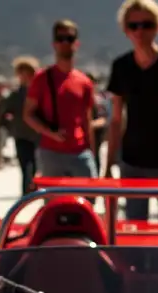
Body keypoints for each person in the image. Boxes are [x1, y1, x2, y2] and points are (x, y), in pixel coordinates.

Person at [105, 0, 158, 223]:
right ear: (126, 30)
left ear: (157, 27)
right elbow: (115, 119)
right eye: (134, 26)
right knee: (134, 225)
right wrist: (108, 164)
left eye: (147, 24)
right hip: (132, 161)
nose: (140, 31)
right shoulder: (121, 67)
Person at [23, 20, 96, 179]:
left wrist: (92, 152)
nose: (65, 43)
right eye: (60, 38)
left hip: (80, 151)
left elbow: (86, 119)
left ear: (76, 43)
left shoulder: (84, 82)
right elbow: (28, 114)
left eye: (69, 38)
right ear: (54, 43)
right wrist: (50, 133)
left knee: (88, 199)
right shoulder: (41, 79)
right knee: (54, 202)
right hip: (51, 153)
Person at [0, 56, 40, 195]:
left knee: (36, 167)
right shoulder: (15, 95)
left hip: (39, 136)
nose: (24, 76)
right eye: (21, 72)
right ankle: (26, 195)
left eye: (27, 72)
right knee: (25, 167)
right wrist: (12, 127)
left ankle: (35, 190)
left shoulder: (39, 93)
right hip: (21, 136)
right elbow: (3, 113)